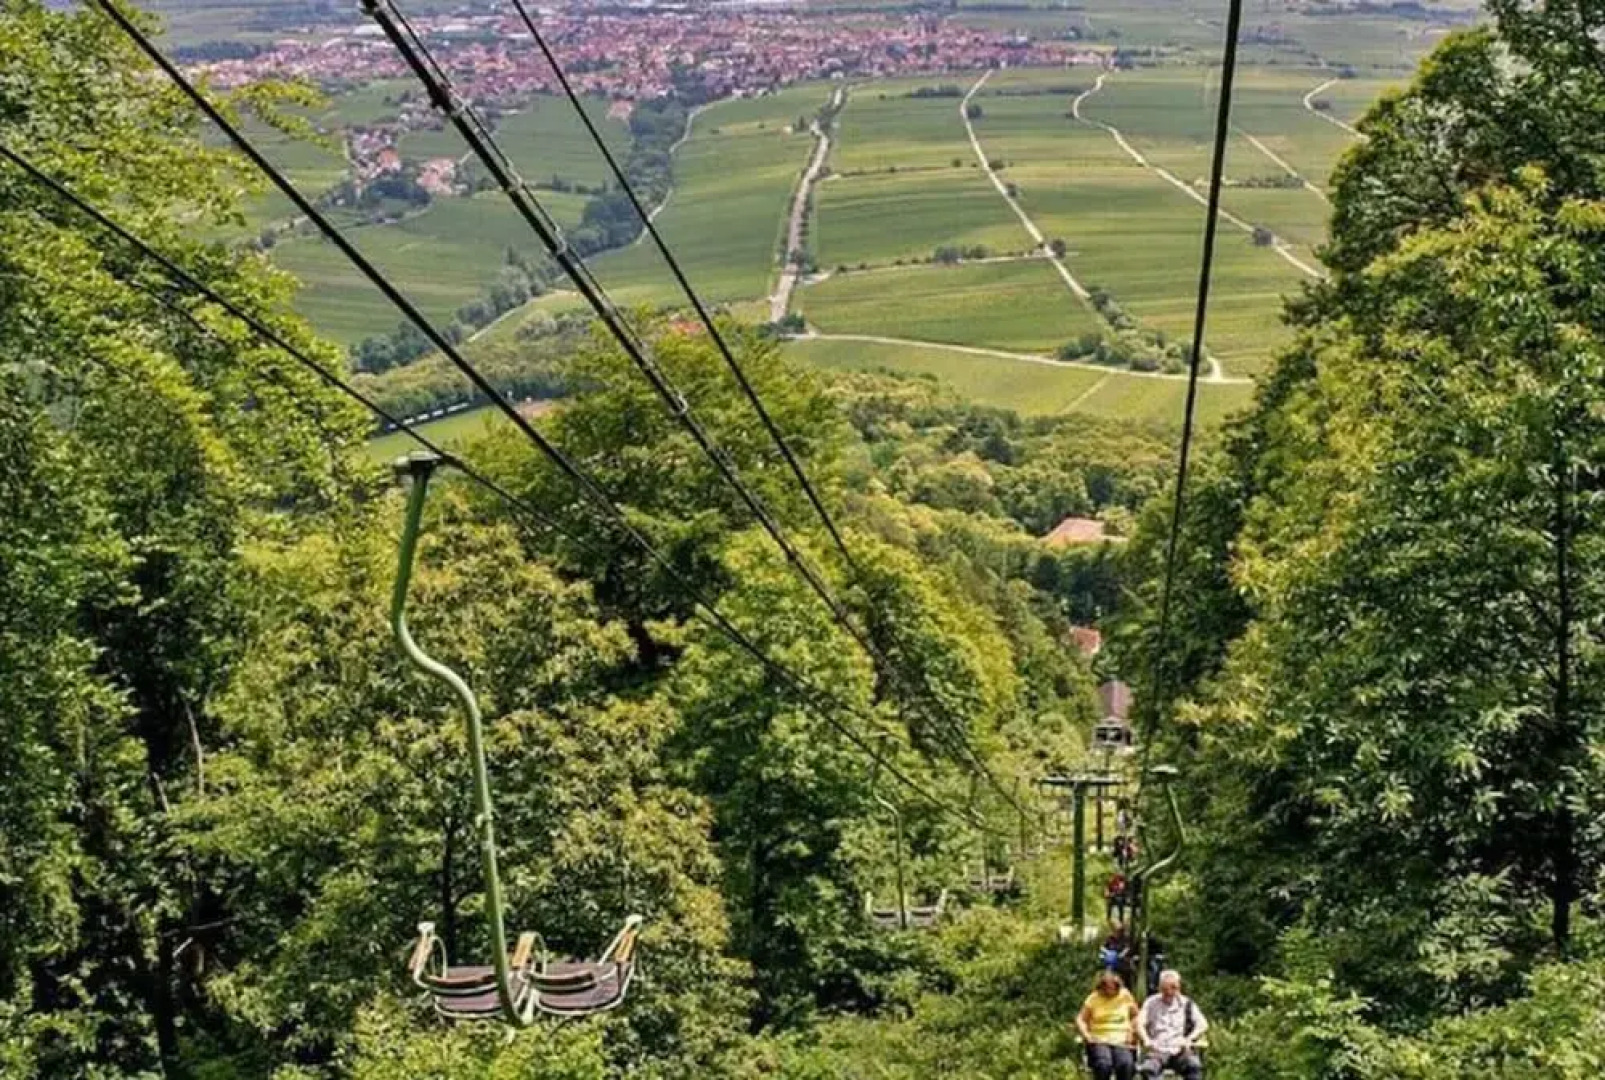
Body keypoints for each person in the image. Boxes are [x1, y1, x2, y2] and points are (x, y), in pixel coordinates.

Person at [1137, 969, 1207, 1080]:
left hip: (1180, 1050)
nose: (1169, 992)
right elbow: (1139, 1023)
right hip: (1157, 1049)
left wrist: (1189, 1039)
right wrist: (1146, 1039)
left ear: (1179, 987)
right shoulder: (1151, 1002)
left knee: (1193, 1066)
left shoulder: (1187, 1003)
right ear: (1160, 988)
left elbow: (1202, 1024)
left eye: (1173, 987)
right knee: (1148, 1069)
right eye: (1165, 989)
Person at [1076, 969, 1138, 1080]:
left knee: (1126, 1064)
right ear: (1101, 987)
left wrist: (1131, 1031)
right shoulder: (1093, 998)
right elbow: (1080, 1019)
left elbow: (1136, 1016)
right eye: (1107, 988)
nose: (1110, 991)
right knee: (1104, 1065)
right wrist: (1087, 1035)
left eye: (1113, 988)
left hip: (1121, 1040)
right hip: (1099, 1039)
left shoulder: (1125, 995)